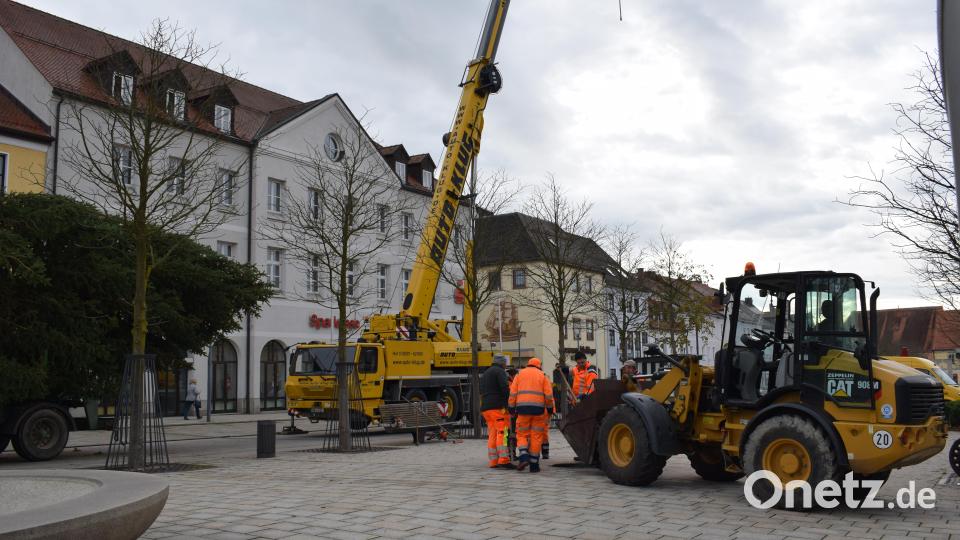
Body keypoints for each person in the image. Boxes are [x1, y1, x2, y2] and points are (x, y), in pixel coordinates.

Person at [508, 357, 554, 473]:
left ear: (528, 364)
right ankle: (534, 465)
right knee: (536, 436)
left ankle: (523, 456)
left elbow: (513, 393)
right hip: (538, 410)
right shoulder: (543, 375)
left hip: (522, 410)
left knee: (522, 434)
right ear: (539, 365)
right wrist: (549, 410)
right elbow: (548, 395)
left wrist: (511, 409)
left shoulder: (519, 375)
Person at [479, 354, 512, 468]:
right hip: (497, 408)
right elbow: (504, 388)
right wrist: (509, 402)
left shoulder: (486, 373)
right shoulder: (500, 372)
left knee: (492, 433)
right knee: (502, 433)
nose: (506, 365)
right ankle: (504, 460)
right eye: (505, 363)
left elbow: (481, 390)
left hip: (486, 408)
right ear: (502, 363)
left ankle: (493, 461)